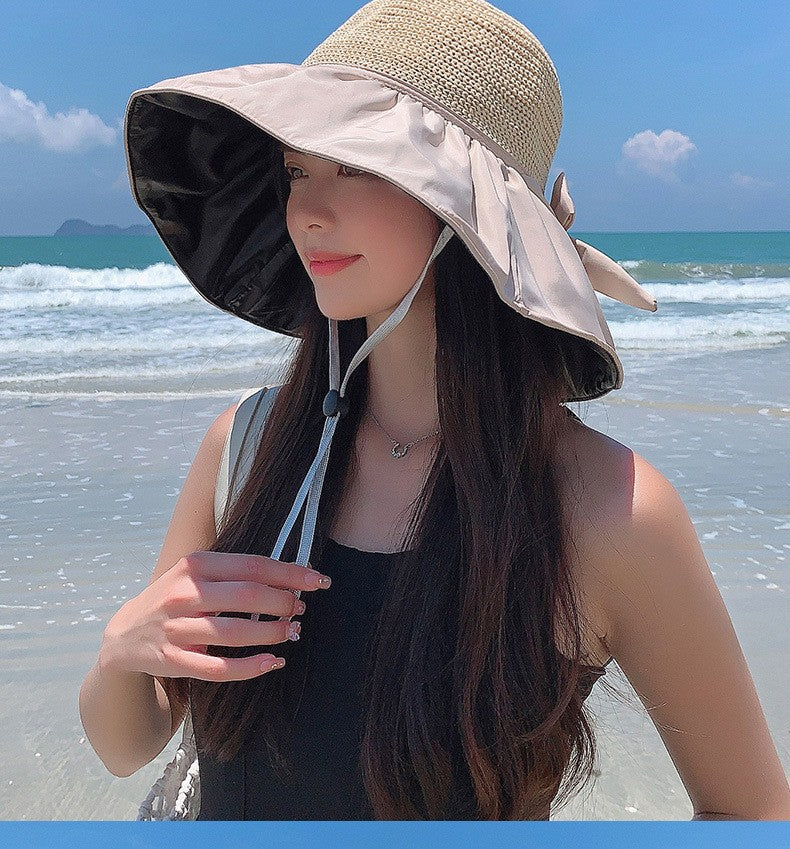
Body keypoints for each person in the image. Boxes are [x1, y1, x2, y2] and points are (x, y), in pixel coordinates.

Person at [79, 0, 790, 820]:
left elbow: (754, 816)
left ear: (469, 211)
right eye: (297, 171)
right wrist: (123, 647)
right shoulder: (247, 445)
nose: (307, 210)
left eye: (356, 166)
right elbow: (126, 744)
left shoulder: (607, 509)